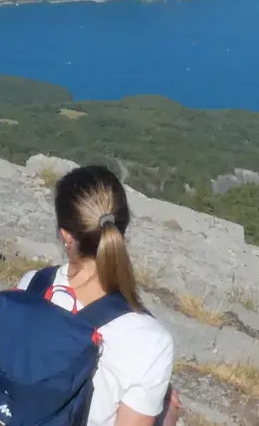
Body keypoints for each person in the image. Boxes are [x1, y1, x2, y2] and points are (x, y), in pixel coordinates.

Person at [16, 166, 177, 426]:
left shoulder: (31, 285)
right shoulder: (150, 341)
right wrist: (168, 418)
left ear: (65, 236)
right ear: (122, 230)